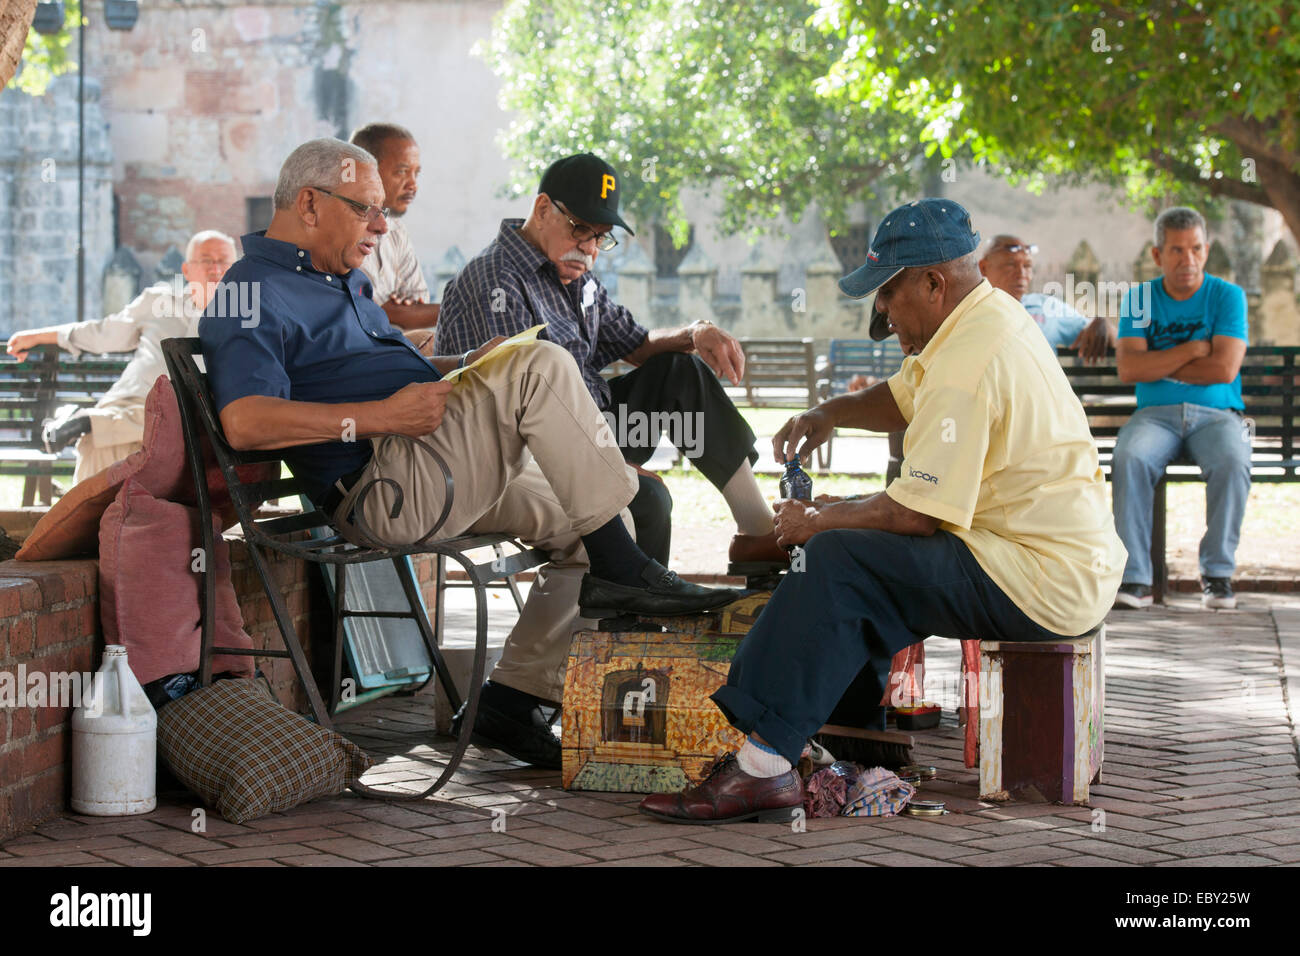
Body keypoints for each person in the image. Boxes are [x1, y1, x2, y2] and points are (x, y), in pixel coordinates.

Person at [198, 138, 736, 770]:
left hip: (428, 462)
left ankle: (511, 699)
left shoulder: (344, 281)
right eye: (368, 209)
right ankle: (625, 573)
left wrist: (465, 363)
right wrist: (380, 417)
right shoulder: (250, 289)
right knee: (540, 364)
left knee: (612, 514)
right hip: (383, 490)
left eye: (384, 211)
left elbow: (381, 368)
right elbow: (244, 420)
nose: (383, 224)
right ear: (310, 204)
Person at [637, 198, 1125, 824]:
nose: (883, 313)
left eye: (889, 295)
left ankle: (761, 767)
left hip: (1040, 578)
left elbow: (917, 515)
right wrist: (829, 414)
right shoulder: (982, 315)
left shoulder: (970, 358)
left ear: (931, 282)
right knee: (863, 565)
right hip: (1051, 559)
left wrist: (818, 520)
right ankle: (850, 740)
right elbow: (904, 394)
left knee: (838, 561)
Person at [434, 152, 781, 571]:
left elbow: (636, 344)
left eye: (601, 237)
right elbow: (512, 414)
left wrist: (694, 333)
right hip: (516, 455)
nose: (590, 248)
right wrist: (610, 468)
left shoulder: (576, 277)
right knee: (647, 501)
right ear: (543, 209)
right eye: (581, 229)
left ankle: (757, 532)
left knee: (678, 369)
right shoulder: (496, 281)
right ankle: (633, 623)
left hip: (590, 426)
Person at [6, 230, 237, 483]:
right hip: (129, 404)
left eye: (223, 260)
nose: (215, 268)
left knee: (150, 425)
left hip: (185, 417)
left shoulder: (244, 318)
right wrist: (42, 336)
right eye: (205, 260)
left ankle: (86, 422)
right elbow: (105, 333)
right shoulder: (157, 301)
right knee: (97, 442)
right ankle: (91, 431)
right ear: (186, 269)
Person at [1111, 207, 1250, 610]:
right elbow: (1130, 367)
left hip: (1218, 416)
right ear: (1158, 255)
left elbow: (1223, 369)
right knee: (1130, 456)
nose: (1186, 259)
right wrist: (1191, 350)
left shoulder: (1227, 296)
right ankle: (1135, 579)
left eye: (1195, 249)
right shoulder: (1139, 298)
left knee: (1233, 458)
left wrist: (1159, 361)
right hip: (1155, 417)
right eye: (1176, 250)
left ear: (1206, 251)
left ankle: (1218, 575)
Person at [348, 123, 440, 332]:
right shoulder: (342, 231)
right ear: (367, 171)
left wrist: (411, 313)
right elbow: (372, 313)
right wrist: (455, 308)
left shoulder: (397, 230)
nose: (413, 184)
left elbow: (417, 307)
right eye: (402, 172)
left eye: (416, 173)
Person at [978, 234, 1115, 361]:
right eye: (1010, 265)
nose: (1021, 273)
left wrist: (1103, 324)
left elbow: (1116, 339)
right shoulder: (972, 309)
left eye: (1027, 266)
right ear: (983, 268)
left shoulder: (1047, 307)